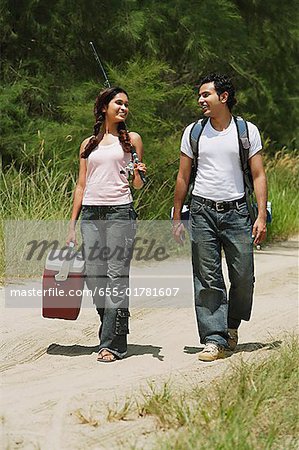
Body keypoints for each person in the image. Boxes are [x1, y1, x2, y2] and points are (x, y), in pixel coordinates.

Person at [173, 73, 267, 361]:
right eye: (200, 95)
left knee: (243, 277)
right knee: (207, 278)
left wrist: (261, 215)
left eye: (206, 95)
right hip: (201, 211)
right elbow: (183, 176)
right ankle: (213, 339)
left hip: (237, 212)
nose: (201, 100)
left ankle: (230, 325)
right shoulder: (193, 132)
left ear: (223, 97)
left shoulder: (246, 130)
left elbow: (259, 174)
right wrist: (177, 214)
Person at [67, 86, 146, 362]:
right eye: (118, 103)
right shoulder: (88, 144)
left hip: (119, 213)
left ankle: (111, 344)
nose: (124, 108)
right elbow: (81, 185)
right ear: (104, 107)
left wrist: (138, 174)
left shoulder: (131, 140)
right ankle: (113, 327)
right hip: (90, 214)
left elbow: (136, 185)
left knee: (115, 278)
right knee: (94, 277)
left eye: (126, 104)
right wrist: (71, 225)